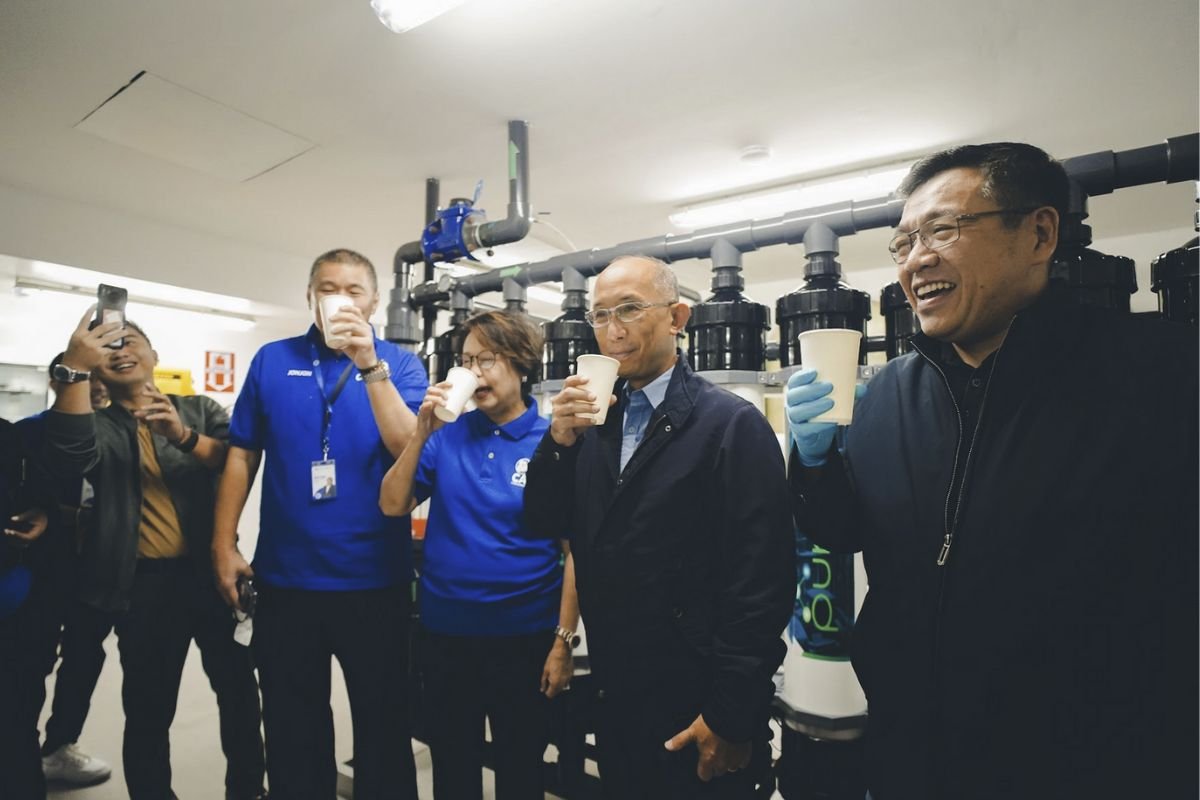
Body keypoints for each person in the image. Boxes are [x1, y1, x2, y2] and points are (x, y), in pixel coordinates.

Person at [785, 142, 1199, 798]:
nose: (916, 259)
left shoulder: (1162, 374)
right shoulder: (887, 393)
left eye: (943, 230)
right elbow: (846, 530)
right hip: (911, 758)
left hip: (1095, 766)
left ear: (1038, 234)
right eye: (903, 242)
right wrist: (812, 464)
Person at [523, 255, 794, 798]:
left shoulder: (729, 425)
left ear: (677, 318)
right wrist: (557, 442)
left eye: (629, 309)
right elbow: (544, 522)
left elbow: (762, 585)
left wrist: (731, 714)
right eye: (601, 315)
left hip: (699, 703)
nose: (613, 330)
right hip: (620, 697)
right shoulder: (595, 425)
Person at [212, 248, 428, 799]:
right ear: (310, 297)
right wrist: (223, 543)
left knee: (383, 727)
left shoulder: (401, 365)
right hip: (287, 581)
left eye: (354, 290)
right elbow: (242, 454)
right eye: (328, 289)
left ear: (374, 302)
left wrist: (368, 363)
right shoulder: (272, 359)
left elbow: (409, 450)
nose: (340, 299)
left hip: (374, 581)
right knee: (292, 730)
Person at [44, 313, 267, 800]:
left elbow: (237, 462)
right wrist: (73, 372)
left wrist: (180, 434)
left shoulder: (198, 409)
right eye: (108, 349)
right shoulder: (94, 427)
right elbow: (68, 454)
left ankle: (248, 790)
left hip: (215, 574)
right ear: (95, 369)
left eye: (130, 342)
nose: (121, 352)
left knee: (239, 695)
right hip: (143, 587)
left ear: (154, 355)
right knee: (148, 708)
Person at [380, 310, 580, 800]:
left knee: (521, 771)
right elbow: (392, 504)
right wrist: (421, 433)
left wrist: (562, 643)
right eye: (466, 361)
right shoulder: (447, 436)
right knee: (453, 771)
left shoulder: (552, 440)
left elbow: (575, 550)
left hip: (525, 639)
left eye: (486, 359)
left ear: (522, 364)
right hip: (446, 636)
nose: (472, 371)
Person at [26, 354, 115, 787]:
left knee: (84, 657)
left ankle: (60, 745)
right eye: (82, 377)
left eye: (99, 377)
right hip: (41, 570)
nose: (94, 385)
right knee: (31, 658)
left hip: (96, 571)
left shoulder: (117, 435)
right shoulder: (30, 433)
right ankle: (19, 748)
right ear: (55, 382)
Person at [0, 414, 54, 798]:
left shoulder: (9, 437)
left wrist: (43, 516)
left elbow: (38, 497)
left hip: (14, 615)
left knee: (16, 724)